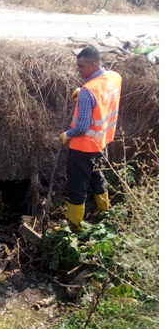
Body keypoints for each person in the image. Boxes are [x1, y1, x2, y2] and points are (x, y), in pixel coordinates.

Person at [58, 46, 121, 230]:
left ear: (93, 65)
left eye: (81, 66)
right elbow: (101, 96)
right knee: (98, 178)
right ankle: (104, 211)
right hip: (102, 144)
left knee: (77, 187)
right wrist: (83, 92)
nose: (78, 70)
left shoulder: (88, 92)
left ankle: (75, 227)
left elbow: (82, 126)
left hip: (82, 149)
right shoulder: (114, 78)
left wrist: (67, 135)